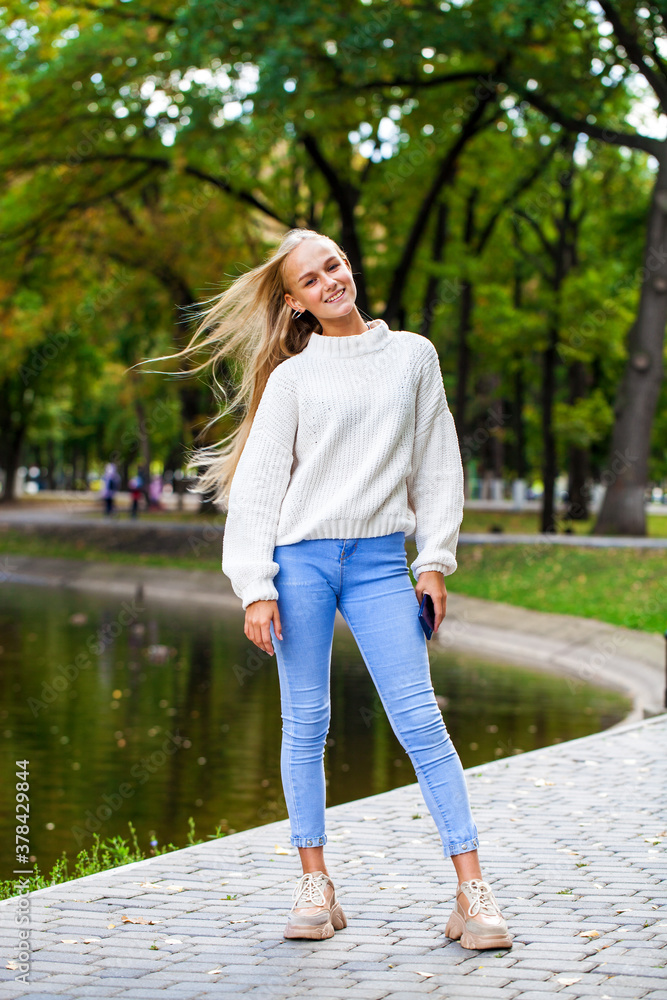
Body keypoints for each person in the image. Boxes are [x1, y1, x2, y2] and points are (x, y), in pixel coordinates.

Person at [136, 228, 512, 950]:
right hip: (300, 562)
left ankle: (471, 890)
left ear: (348, 266)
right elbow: (259, 486)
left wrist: (433, 560)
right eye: (311, 279)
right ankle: (315, 882)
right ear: (295, 301)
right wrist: (256, 585)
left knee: (420, 723)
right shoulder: (293, 379)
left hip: (378, 564)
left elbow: (438, 463)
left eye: (333, 265)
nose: (329, 281)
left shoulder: (412, 356)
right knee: (304, 726)